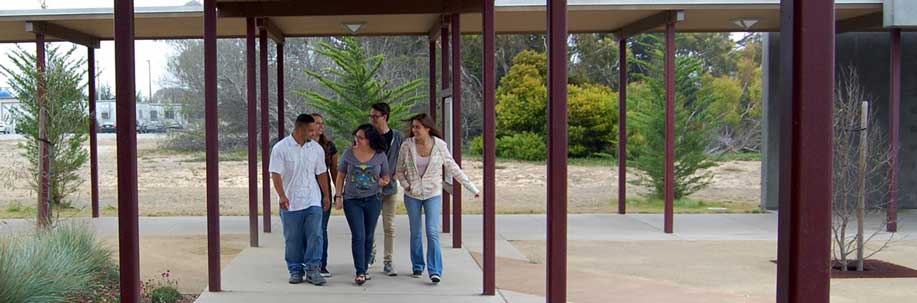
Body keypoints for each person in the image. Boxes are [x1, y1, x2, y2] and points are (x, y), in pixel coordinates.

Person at [395, 113, 480, 284]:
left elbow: (453, 167)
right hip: (412, 195)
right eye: (413, 127)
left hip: (433, 194)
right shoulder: (406, 145)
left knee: (432, 232)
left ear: (427, 128)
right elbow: (399, 171)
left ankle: (435, 270)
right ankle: (418, 265)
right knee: (416, 232)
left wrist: (472, 188)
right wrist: (406, 185)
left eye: (418, 127)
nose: (414, 130)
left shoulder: (440, 145)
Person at [269, 114, 331, 286]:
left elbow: (321, 173)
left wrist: (326, 195)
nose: (314, 133)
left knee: (316, 235)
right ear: (300, 129)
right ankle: (295, 269)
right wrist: (281, 195)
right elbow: (275, 173)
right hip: (291, 201)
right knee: (293, 238)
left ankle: (313, 269)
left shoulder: (316, 149)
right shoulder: (281, 148)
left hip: (313, 199)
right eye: (311, 130)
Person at [334, 124, 391, 286]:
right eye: (356, 136)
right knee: (358, 235)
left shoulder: (380, 155)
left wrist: (384, 181)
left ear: (370, 140)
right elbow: (340, 176)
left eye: (361, 138)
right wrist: (338, 196)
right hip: (352, 200)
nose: (356, 140)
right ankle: (359, 271)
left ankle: (364, 268)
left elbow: (386, 175)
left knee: (368, 235)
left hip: (373, 199)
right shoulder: (348, 153)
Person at [368, 102, 403, 276]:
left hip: (390, 190)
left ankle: (388, 261)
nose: (373, 119)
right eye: (371, 116)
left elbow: (403, 159)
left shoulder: (397, 137)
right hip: (371, 189)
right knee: (370, 225)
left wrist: (395, 175)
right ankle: (369, 252)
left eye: (376, 116)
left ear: (385, 117)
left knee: (389, 226)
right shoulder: (367, 136)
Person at [311, 113, 338, 278]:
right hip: (306, 191)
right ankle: (307, 262)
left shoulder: (329, 146)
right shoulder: (301, 144)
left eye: (322, 123)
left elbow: (335, 171)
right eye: (317, 123)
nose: (321, 126)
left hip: (323, 191)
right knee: (308, 229)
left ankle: (321, 264)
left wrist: (338, 192)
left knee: (321, 228)